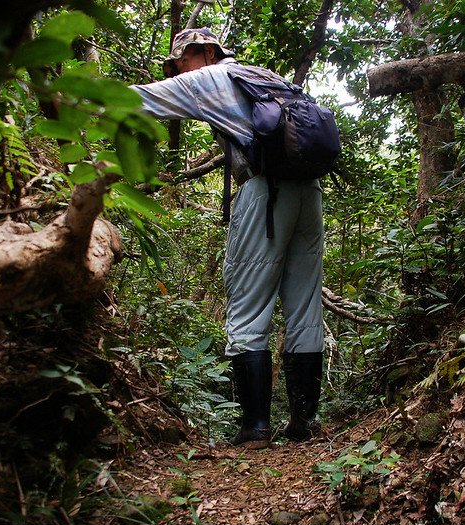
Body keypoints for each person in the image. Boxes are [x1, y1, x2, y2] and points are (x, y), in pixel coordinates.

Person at [129, 28, 324, 449]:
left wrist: (73, 96)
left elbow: (141, 99)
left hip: (265, 192)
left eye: (180, 61)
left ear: (202, 52)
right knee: (305, 307)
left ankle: (255, 428)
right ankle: (304, 423)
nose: (178, 70)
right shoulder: (265, 75)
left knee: (247, 306)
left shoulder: (211, 78)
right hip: (309, 193)